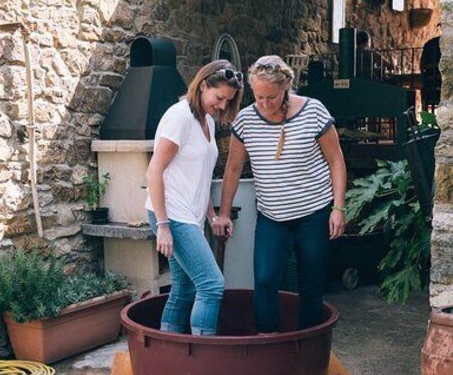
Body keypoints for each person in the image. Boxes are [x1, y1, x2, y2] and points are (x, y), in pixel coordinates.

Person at [215, 55, 347, 333]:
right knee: (264, 280)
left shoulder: (314, 112)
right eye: (258, 97)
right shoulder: (246, 119)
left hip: (313, 213)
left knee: (310, 284)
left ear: (286, 85)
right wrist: (224, 213)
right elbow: (233, 168)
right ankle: (268, 341)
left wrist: (338, 208)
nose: (264, 104)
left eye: (271, 97)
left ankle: (307, 347)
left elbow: (336, 160)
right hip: (272, 217)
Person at [145, 60, 244, 336]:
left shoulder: (207, 122)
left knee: (184, 287)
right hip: (172, 216)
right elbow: (154, 171)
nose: (223, 105)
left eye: (228, 100)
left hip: (189, 214)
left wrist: (212, 216)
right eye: (219, 97)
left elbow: (198, 180)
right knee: (211, 285)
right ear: (202, 86)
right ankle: (203, 353)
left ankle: (168, 351)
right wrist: (163, 226)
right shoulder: (180, 118)